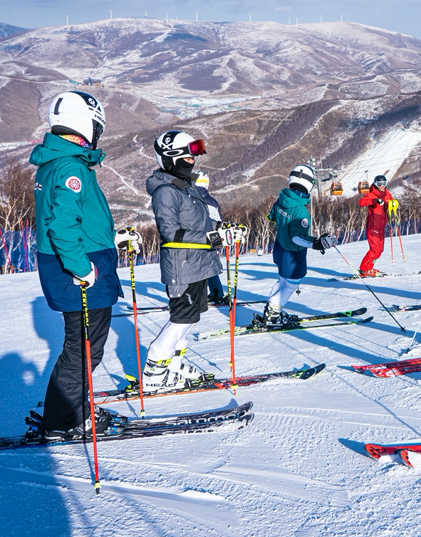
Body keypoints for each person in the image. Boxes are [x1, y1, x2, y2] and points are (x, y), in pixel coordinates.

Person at [30, 90, 132, 438]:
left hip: (80, 261)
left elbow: (72, 219)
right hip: (79, 273)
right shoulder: (71, 166)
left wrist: (109, 241)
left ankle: (71, 409)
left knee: (83, 347)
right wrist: (82, 268)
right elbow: (61, 225)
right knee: (84, 350)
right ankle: (63, 422)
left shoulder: (58, 162)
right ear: (84, 124)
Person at [143, 130, 244, 392]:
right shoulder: (166, 192)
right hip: (183, 266)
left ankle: (173, 365)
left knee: (192, 317)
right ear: (171, 158)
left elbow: (203, 222)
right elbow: (172, 234)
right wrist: (213, 237)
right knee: (182, 318)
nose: (193, 159)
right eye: (187, 155)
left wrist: (226, 230)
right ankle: (155, 370)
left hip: (200, 265)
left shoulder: (187, 187)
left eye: (194, 153)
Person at [256, 164, 336, 327]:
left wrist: (282, 219)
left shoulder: (282, 199)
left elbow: (271, 217)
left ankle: (272, 310)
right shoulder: (300, 211)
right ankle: (273, 315)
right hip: (292, 254)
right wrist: (316, 243)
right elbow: (297, 238)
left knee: (282, 280)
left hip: (279, 249)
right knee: (291, 284)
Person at [194, 171, 227, 305]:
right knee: (210, 266)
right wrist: (217, 242)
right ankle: (217, 293)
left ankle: (194, 298)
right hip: (212, 237)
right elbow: (219, 221)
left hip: (193, 238)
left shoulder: (189, 197)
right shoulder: (212, 202)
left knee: (194, 266)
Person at [358, 174, 395, 277]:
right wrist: (374, 201)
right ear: (375, 184)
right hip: (373, 226)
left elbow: (391, 202)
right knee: (374, 249)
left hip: (381, 226)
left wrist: (393, 204)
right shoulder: (371, 194)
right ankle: (363, 269)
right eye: (379, 184)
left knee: (379, 250)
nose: (382, 186)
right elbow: (361, 202)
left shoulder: (387, 194)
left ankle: (369, 268)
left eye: (384, 184)